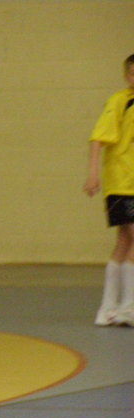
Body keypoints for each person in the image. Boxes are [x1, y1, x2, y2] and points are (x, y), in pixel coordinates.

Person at [83, 54, 134, 327]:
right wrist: (93, 174)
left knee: (124, 241)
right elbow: (98, 139)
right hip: (122, 183)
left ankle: (108, 308)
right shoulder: (120, 102)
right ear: (127, 77)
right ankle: (127, 307)